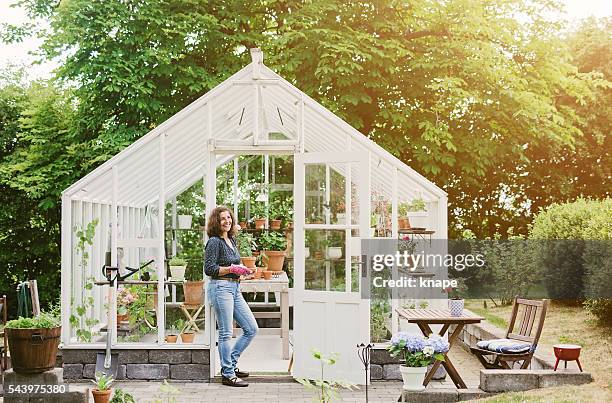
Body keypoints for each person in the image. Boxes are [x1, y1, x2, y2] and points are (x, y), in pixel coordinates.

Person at [205, 206, 258, 387]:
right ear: (216, 222)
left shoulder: (231, 240)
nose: (227, 221)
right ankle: (227, 374)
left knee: (251, 328)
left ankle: (231, 365)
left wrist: (245, 270)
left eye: (229, 218)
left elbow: (236, 264)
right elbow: (209, 269)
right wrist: (231, 269)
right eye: (222, 219)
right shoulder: (214, 242)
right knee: (226, 333)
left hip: (234, 288)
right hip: (220, 288)